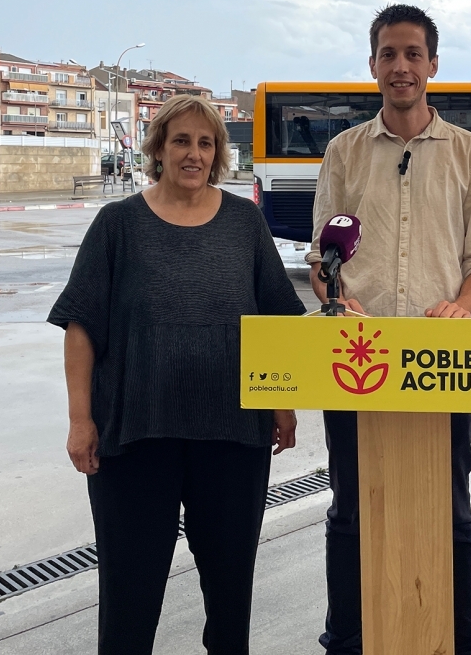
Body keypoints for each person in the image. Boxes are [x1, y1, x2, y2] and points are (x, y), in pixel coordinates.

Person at [48, 94, 305, 655]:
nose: (194, 154)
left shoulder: (244, 223)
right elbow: (81, 327)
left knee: (230, 598)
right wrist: (80, 420)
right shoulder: (118, 224)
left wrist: (282, 403)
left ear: (218, 155)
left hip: (233, 438)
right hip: (135, 438)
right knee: (129, 600)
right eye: (182, 141)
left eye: (206, 143)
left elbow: (277, 319)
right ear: (158, 149)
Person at [308, 3, 471, 655]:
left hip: (437, 362)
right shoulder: (343, 152)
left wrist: (462, 307)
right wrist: (336, 300)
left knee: (451, 508)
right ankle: (346, 639)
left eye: (413, 54)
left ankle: (461, 640)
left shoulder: (469, 153)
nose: (401, 67)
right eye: (389, 54)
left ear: (433, 65)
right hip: (355, 357)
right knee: (350, 507)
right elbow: (323, 261)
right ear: (372, 65)